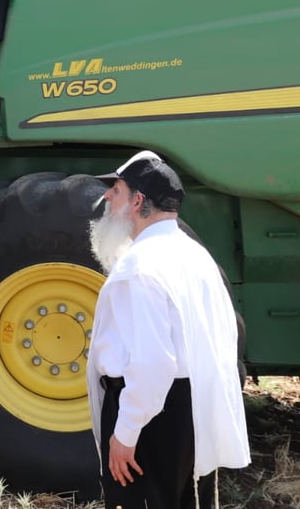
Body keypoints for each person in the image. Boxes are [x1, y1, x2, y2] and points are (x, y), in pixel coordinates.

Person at [86, 151, 250, 508]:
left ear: (138, 201)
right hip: (190, 409)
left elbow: (152, 364)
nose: (108, 198)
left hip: (153, 419)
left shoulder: (140, 266)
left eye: (116, 189)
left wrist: (125, 434)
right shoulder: (193, 254)